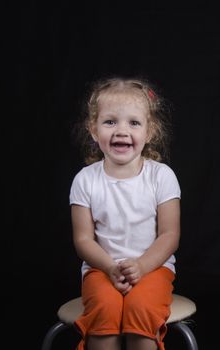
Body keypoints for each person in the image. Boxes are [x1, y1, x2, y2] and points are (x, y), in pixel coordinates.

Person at [69, 77, 180, 350]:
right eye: (110, 122)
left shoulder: (161, 176)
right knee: (104, 313)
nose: (121, 131)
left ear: (150, 131)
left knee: (141, 310)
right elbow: (83, 239)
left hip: (153, 268)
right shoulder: (85, 180)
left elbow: (169, 234)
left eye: (134, 122)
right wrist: (109, 267)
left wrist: (141, 266)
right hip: (101, 269)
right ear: (93, 130)